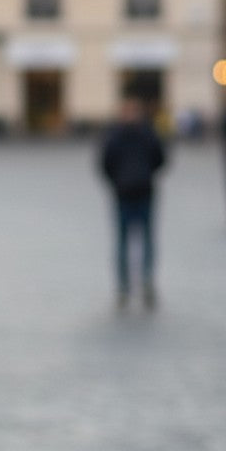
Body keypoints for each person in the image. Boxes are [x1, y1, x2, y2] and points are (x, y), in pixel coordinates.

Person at [99, 96, 167, 309]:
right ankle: (132, 283)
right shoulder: (145, 133)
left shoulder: (116, 135)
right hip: (134, 191)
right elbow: (160, 159)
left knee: (134, 239)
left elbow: (105, 164)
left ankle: (134, 284)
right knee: (133, 239)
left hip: (132, 192)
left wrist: (118, 180)